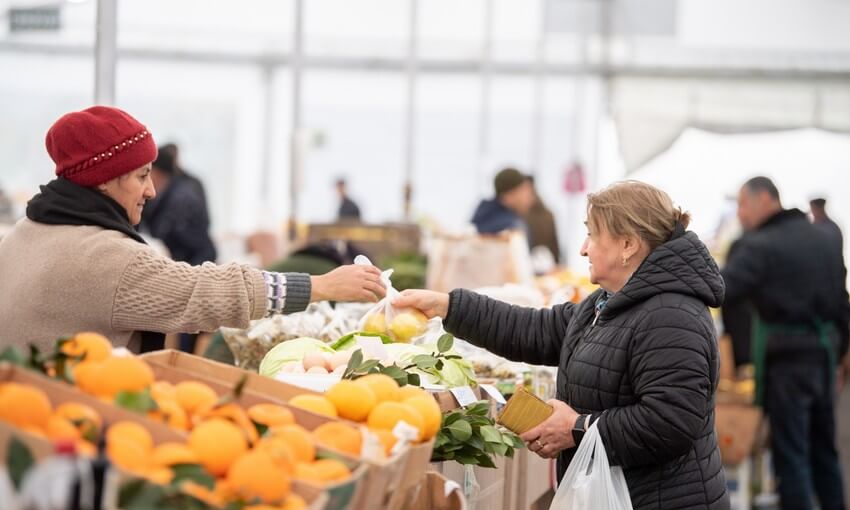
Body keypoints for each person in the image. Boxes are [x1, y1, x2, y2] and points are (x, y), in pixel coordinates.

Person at [397, 180, 732, 510]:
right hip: (620, 508)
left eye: (593, 235)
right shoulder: (606, 305)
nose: (584, 249)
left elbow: (670, 422)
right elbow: (534, 329)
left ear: (628, 245)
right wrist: (448, 306)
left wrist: (576, 428)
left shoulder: (671, 316)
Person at [0, 106, 385, 354]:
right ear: (103, 181)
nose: (151, 190)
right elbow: (206, 292)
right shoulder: (105, 257)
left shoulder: (26, 230)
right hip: (66, 434)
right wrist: (321, 286)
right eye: (141, 176)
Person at [722, 177, 848, 510]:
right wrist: (841, 357)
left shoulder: (760, 245)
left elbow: (722, 288)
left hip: (787, 362)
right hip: (823, 355)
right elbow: (842, 302)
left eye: (743, 206)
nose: (741, 215)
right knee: (824, 445)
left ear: (764, 200)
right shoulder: (823, 237)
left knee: (791, 452)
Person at [141, 146, 217, 265]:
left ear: (156, 172)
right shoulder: (162, 194)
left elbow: (200, 246)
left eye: (144, 174)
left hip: (191, 265)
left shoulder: (181, 200)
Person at [471, 168, 535, 235]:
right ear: (509, 195)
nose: (530, 198)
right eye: (524, 191)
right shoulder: (513, 227)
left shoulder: (481, 218)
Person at [523, 176, 561, 264]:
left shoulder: (521, 216)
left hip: (536, 265)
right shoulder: (548, 213)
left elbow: (554, 245)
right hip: (546, 264)